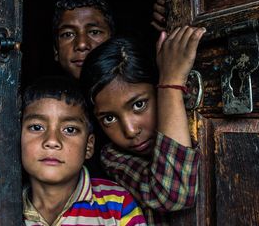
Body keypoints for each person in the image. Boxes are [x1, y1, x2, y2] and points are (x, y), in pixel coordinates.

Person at [79, 26, 206, 225]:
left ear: (156, 90)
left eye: (139, 105)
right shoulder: (113, 158)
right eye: (109, 119)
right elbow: (173, 194)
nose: (130, 130)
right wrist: (171, 83)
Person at [21, 76, 147, 225]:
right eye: (37, 127)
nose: (52, 141)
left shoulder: (117, 205)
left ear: (89, 146)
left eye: (69, 129)